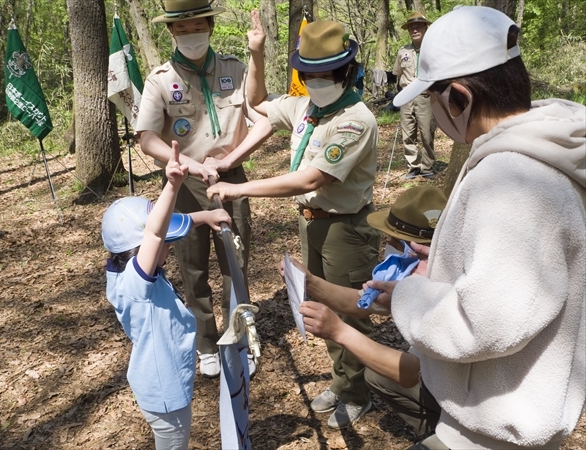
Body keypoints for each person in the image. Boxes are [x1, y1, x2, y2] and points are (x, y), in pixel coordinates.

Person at [381, 6, 585, 449]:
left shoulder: (515, 179)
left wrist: (406, 294)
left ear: (459, 97)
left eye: (432, 98)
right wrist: (443, 264)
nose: (433, 111)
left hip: (493, 433)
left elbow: (488, 323)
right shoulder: (546, 153)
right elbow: (524, 284)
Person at [207, 10, 381, 429]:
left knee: (350, 308)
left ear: (346, 72)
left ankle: (357, 392)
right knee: (320, 303)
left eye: (325, 75)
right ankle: (341, 381)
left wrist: (238, 188)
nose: (316, 82)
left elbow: (310, 177)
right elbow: (258, 102)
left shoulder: (355, 120)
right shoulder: (306, 107)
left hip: (347, 228)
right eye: (309, 75)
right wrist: (257, 54)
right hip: (312, 223)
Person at [136, 0, 274, 378]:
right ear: (171, 33)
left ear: (210, 26)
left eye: (197, 26)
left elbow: (259, 108)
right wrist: (184, 164)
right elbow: (147, 137)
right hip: (184, 183)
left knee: (236, 260)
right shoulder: (160, 79)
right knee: (192, 263)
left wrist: (257, 53)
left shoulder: (233, 67)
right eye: (182, 29)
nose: (190, 34)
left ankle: (239, 334)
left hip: (232, 178)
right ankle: (206, 342)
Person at [281, 185, 447, 439]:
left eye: (393, 240)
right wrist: (310, 281)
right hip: (451, 378)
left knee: (383, 373)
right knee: (377, 376)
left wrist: (339, 331)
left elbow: (412, 372)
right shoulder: (413, 274)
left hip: (481, 406)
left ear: (416, 248)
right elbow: (361, 304)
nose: (387, 247)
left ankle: (445, 435)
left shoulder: (442, 293)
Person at [101, 141, 231, 449]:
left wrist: (203, 217)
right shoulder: (135, 285)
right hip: (164, 393)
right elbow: (156, 233)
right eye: (166, 242)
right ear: (137, 251)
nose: (170, 247)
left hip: (161, 384)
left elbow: (160, 232)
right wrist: (172, 186)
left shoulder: (127, 272)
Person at [393, 11, 437, 180]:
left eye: (418, 26)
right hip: (406, 96)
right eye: (411, 27)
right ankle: (413, 165)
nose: (415, 30)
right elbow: (398, 74)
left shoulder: (433, 50)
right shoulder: (403, 51)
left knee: (427, 132)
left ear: (425, 28)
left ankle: (427, 166)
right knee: (408, 132)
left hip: (425, 96)